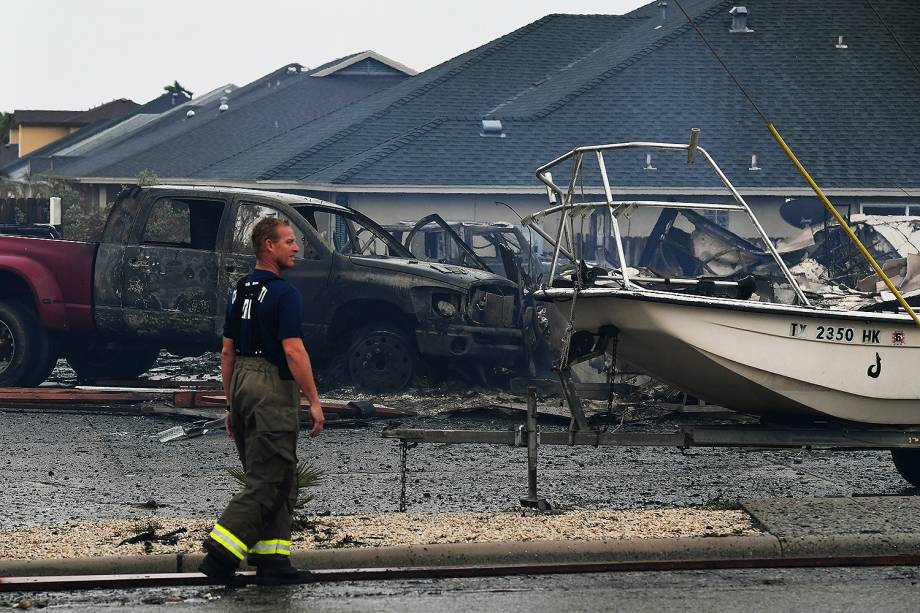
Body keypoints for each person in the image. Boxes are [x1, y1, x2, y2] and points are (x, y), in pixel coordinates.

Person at [199, 217, 324, 585]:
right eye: (288, 241)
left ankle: (273, 561)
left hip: (241, 381)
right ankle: (220, 555)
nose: (296, 248)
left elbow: (226, 352)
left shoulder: (238, 292)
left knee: (280, 477)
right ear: (268, 246)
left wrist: (231, 404)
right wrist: (314, 400)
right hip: (271, 385)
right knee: (270, 479)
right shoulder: (286, 294)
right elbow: (293, 350)